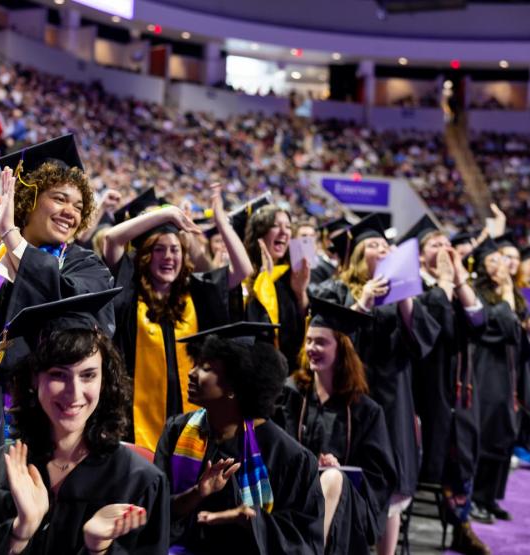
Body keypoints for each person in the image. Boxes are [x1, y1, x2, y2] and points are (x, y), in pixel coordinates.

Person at [0, 134, 114, 449]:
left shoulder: (83, 265)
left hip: (28, 416)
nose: (71, 211)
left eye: (78, 205)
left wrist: (11, 235)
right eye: (59, 198)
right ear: (28, 200)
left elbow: (67, 306)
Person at [0, 290, 169, 555]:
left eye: (88, 375)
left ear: (105, 380)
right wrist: (19, 533)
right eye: (58, 375)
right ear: (34, 379)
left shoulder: (138, 481)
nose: (74, 393)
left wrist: (98, 549)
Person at [312, 214, 440, 555]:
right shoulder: (336, 290)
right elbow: (332, 342)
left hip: (392, 402)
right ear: (356, 255)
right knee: (342, 479)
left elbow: (421, 344)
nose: (381, 250)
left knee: (390, 486)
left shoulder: (405, 301)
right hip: (347, 403)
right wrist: (365, 299)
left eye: (386, 247)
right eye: (372, 245)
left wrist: (404, 294)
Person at [103, 184, 252, 452]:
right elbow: (112, 239)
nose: (168, 257)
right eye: (159, 249)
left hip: (189, 413)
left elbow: (243, 268)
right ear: (146, 256)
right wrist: (167, 213)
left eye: (175, 250)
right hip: (133, 417)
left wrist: (221, 222)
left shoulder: (194, 293)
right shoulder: (128, 286)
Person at [154, 321, 324, 554]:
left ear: (235, 386)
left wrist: (249, 519)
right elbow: (155, 511)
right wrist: (197, 494)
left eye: (205, 367)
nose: (192, 373)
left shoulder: (288, 457)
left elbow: (304, 541)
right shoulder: (177, 431)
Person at [397, 215, 490, 554]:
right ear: (420, 256)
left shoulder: (456, 286)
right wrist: (446, 284)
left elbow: (480, 322)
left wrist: (460, 277)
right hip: (424, 386)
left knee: (462, 452)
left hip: (460, 389)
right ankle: (396, 527)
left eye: (446, 244)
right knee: (422, 457)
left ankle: (461, 526)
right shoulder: (415, 286)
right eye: (435, 245)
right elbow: (430, 326)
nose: (444, 250)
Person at [278, 297, 396, 554]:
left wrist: (341, 471)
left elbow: (380, 478)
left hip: (346, 506)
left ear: (341, 349)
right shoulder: (291, 395)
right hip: (295, 493)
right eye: (309, 341)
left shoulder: (366, 410)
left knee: (333, 478)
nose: (311, 348)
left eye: (321, 342)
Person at [469, 237, 530, 523]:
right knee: (487, 434)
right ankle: (474, 498)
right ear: (482, 267)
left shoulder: (514, 296)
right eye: (492, 260)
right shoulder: (479, 294)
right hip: (487, 371)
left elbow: (521, 334)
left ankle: (491, 497)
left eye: (502, 259)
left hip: (512, 373)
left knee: (505, 434)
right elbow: (505, 327)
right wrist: (507, 292)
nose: (501, 264)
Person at [243, 204, 311, 371]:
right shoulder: (243, 276)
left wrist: (300, 292)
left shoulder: (291, 275)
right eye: (275, 225)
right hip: (256, 371)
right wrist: (264, 277)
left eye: (288, 227)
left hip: (291, 373)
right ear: (259, 233)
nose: (284, 232)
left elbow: (303, 328)